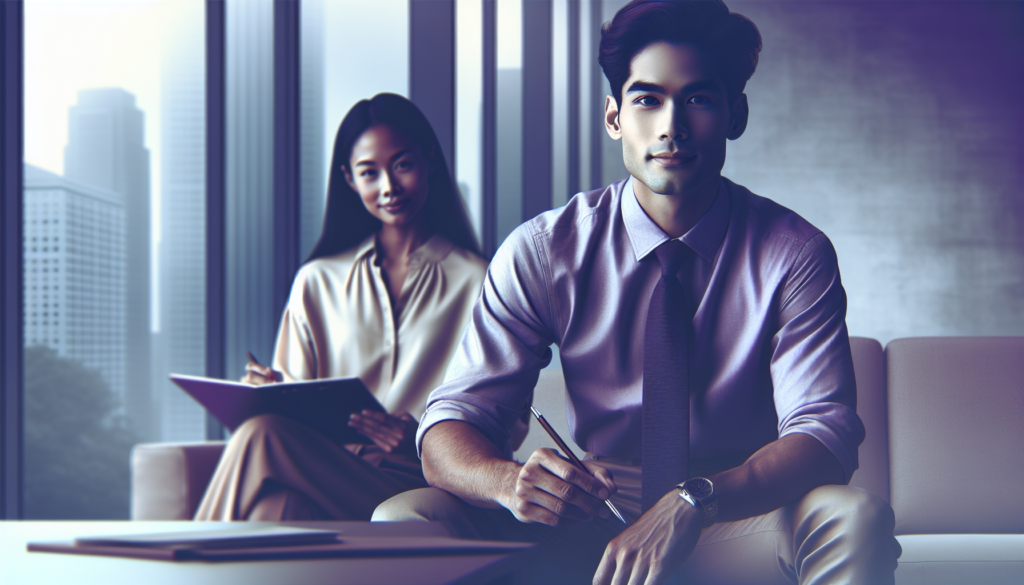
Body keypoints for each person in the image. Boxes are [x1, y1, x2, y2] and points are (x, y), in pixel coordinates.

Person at [373, 2, 902, 584]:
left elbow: (822, 436)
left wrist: (694, 500)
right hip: (591, 511)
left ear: (736, 114)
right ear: (614, 117)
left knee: (852, 516)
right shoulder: (546, 250)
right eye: (647, 99)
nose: (670, 126)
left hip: (732, 509)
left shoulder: (792, 252)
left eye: (697, 99)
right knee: (405, 515)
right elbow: (451, 423)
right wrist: (509, 482)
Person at [194, 93, 491, 521]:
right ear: (350, 180)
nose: (388, 187)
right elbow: (292, 408)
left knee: (262, 437)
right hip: (325, 467)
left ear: (428, 161)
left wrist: (424, 438)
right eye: (370, 173)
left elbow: (503, 422)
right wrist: (270, 392)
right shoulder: (317, 281)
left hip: (418, 481)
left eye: (402, 165)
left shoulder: (478, 281)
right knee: (274, 504)